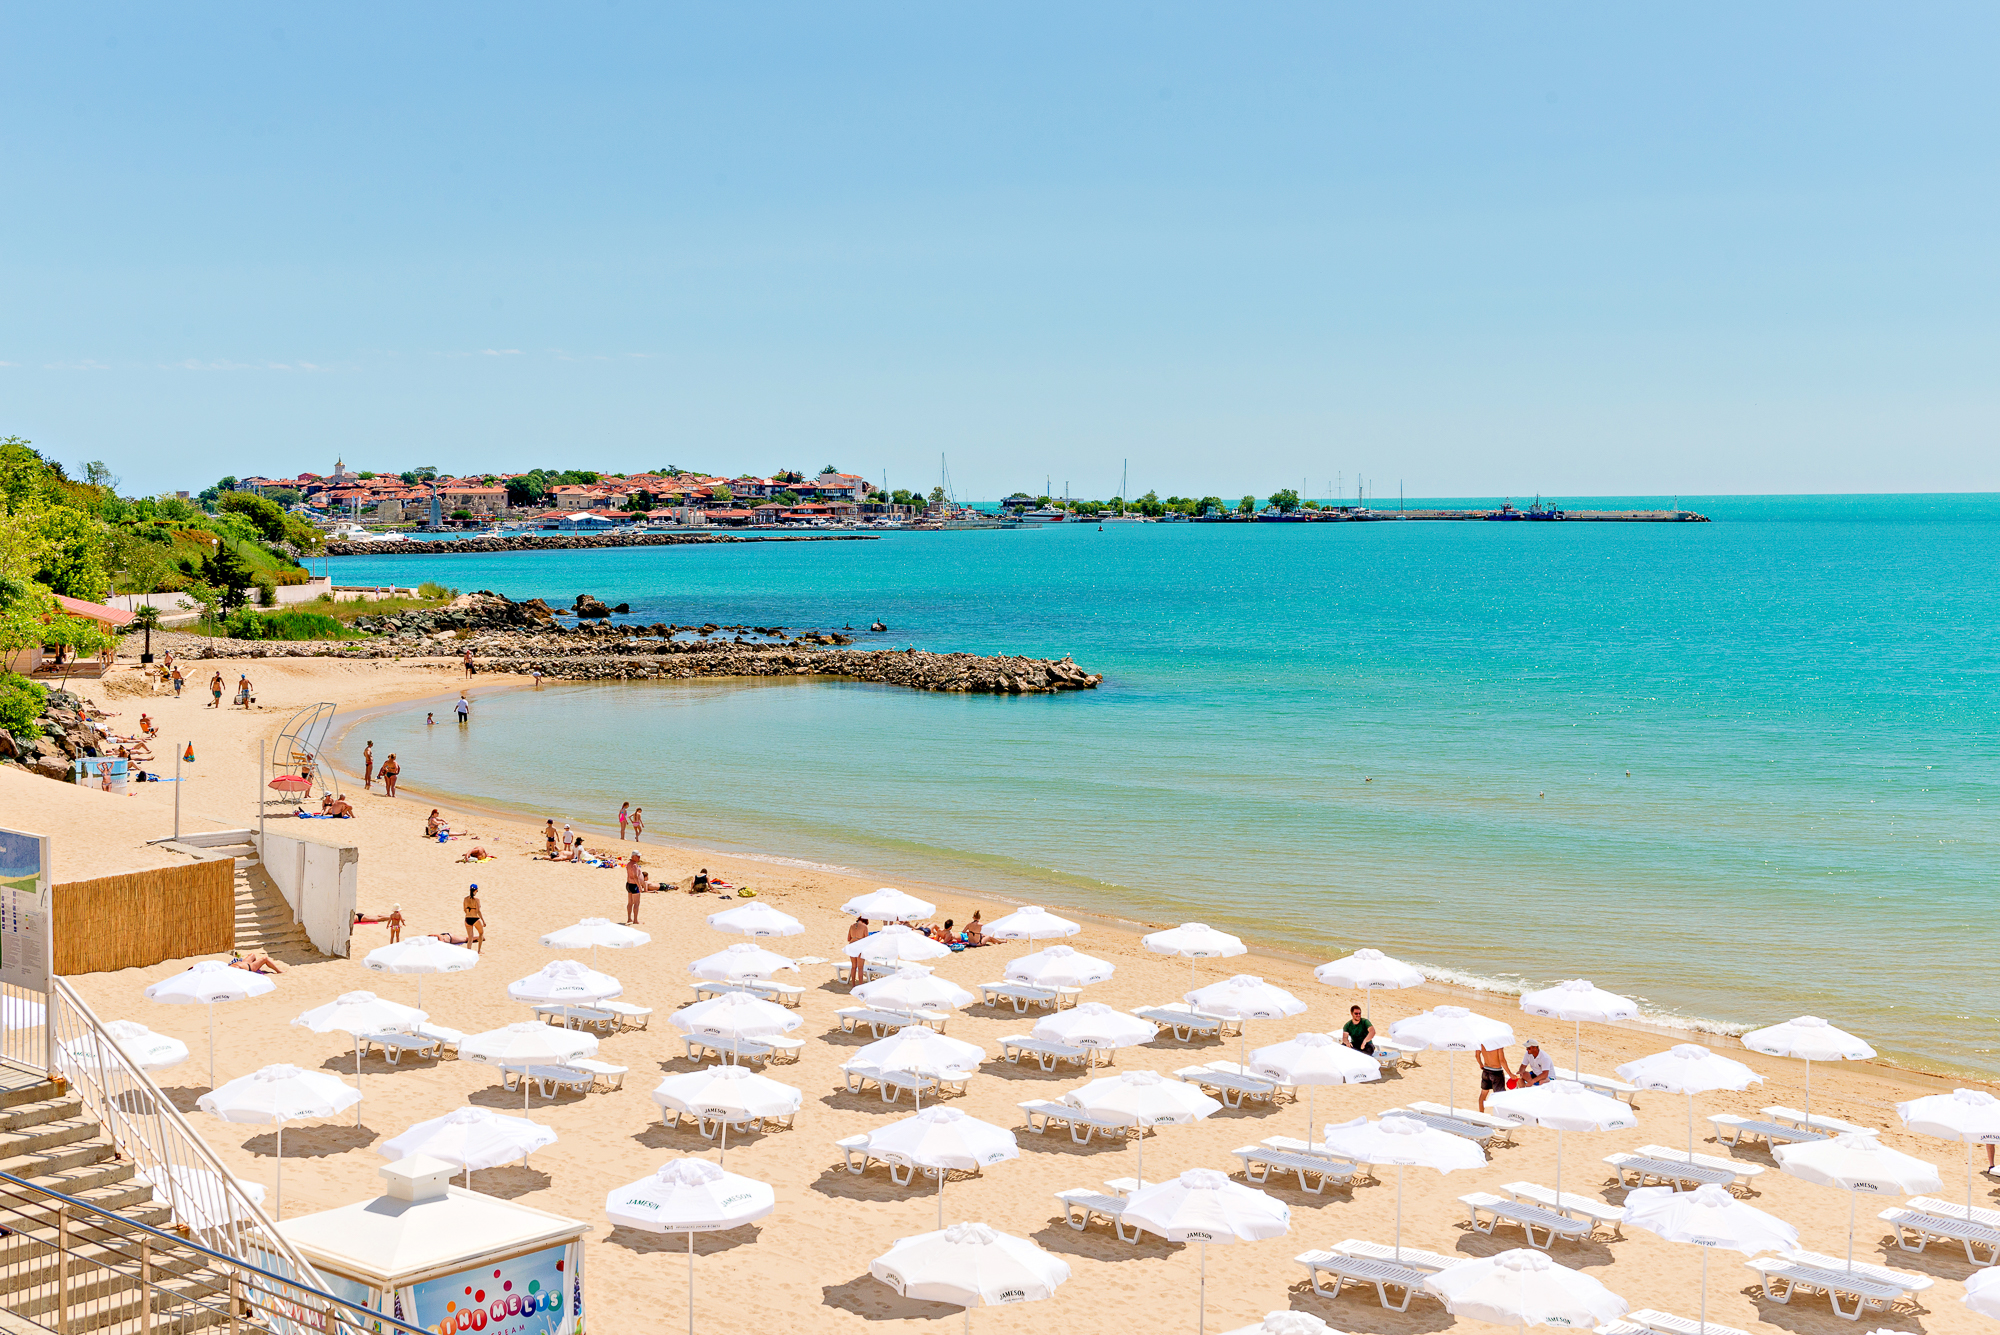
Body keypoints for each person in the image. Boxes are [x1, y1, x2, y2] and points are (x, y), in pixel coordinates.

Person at [1476, 1039, 1510, 1113]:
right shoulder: (1498, 1043)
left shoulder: (1482, 1042)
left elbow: (1477, 1055)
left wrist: (1481, 1064)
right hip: (1496, 1072)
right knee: (1500, 1096)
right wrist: (1510, 1074)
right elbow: (1502, 1060)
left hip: (1486, 1070)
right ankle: (1500, 1115)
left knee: (1483, 1094)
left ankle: (1481, 1113)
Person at [625, 853, 648, 923]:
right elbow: (635, 876)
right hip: (634, 885)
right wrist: (639, 886)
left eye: (639, 856)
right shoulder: (634, 865)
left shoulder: (629, 864)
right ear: (633, 856)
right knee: (636, 903)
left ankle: (629, 918)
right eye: (637, 856)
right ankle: (635, 920)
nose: (639, 857)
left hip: (629, 884)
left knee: (630, 902)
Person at [846, 915, 870, 984]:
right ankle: (860, 984)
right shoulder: (864, 927)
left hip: (852, 946)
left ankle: (853, 984)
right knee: (860, 968)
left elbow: (848, 939)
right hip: (860, 947)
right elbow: (867, 939)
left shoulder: (851, 926)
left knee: (853, 967)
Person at [462, 885, 485, 952]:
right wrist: (483, 921)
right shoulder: (477, 900)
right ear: (476, 890)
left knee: (470, 937)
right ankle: (479, 950)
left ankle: (468, 951)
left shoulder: (465, 899)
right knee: (481, 933)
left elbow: (464, 909)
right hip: (475, 918)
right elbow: (478, 911)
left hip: (467, 919)